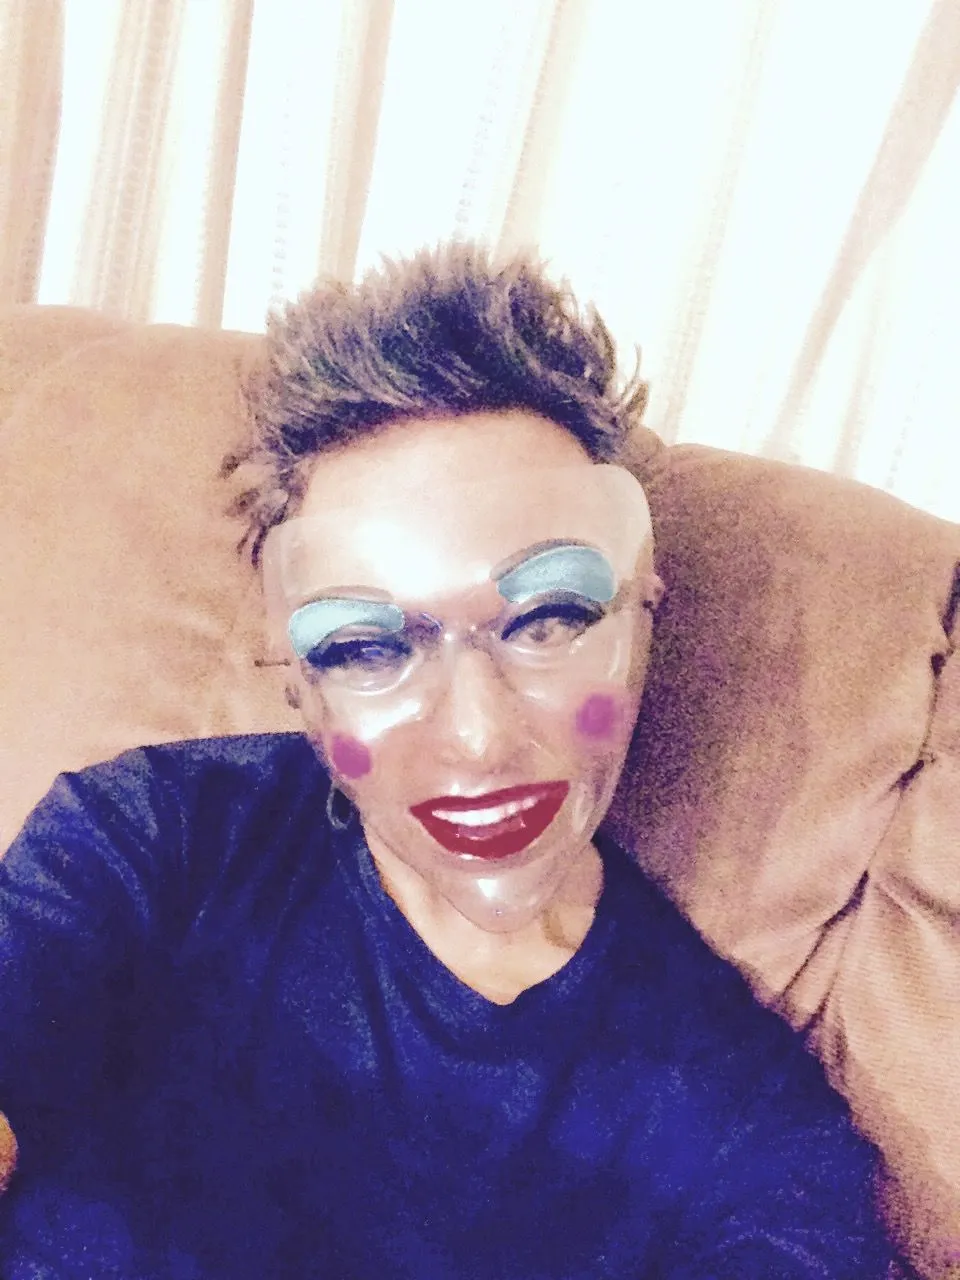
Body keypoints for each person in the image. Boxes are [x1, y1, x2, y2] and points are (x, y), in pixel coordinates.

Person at [0, 244, 894, 1277]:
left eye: (549, 619)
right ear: (298, 678)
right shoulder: (152, 835)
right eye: (365, 646)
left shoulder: (739, 1125)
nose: (478, 737)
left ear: (645, 611)